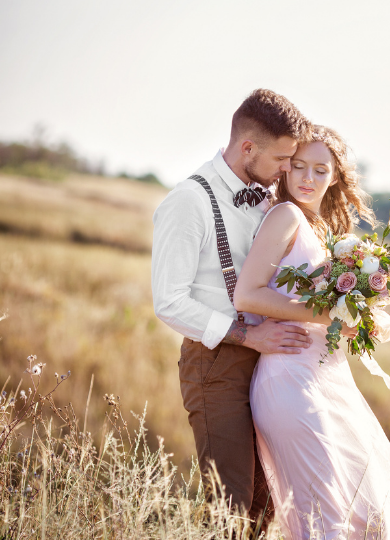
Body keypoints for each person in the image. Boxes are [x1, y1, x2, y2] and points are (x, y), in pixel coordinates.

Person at [233, 125, 390, 540]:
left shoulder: (322, 230)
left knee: (365, 515)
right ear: (284, 170)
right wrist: (330, 317)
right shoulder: (285, 215)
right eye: (297, 167)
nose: (306, 178)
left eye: (319, 169)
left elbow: (325, 309)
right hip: (289, 381)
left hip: (326, 379)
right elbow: (247, 295)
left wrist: (358, 319)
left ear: (335, 176)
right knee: (325, 522)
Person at [151, 89, 315, 527]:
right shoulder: (189, 200)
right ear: (248, 148)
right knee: (231, 506)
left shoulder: (266, 201)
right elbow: (169, 302)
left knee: (268, 504)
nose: (287, 169)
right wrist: (247, 335)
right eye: (282, 158)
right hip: (216, 365)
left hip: (270, 367)